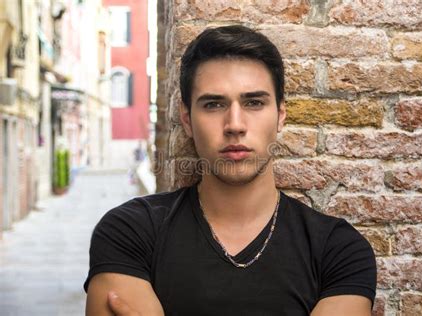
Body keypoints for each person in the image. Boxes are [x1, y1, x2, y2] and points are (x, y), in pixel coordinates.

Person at [84, 25, 377, 316]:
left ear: (280, 115)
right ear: (187, 119)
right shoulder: (130, 232)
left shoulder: (338, 251)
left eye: (254, 103)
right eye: (213, 104)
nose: (235, 124)